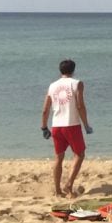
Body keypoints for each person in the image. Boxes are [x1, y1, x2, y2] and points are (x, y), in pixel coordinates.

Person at [41, 58, 92, 198]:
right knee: (80, 154)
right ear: (73, 70)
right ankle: (69, 184)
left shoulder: (52, 86)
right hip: (71, 125)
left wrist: (44, 127)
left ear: (60, 71)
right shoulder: (77, 84)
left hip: (57, 125)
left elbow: (45, 109)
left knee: (58, 157)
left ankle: (57, 190)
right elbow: (80, 106)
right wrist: (86, 125)